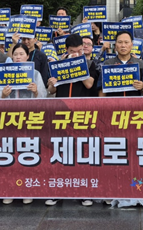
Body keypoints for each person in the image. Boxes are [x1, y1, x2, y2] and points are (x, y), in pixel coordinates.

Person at [46, 33, 98, 207]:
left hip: (82, 113)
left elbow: (90, 84)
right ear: (66, 50)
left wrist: (78, 65)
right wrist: (52, 82)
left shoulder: (90, 63)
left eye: (79, 51)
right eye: (72, 51)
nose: (75, 54)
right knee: (61, 152)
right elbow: (52, 90)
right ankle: (58, 191)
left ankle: (85, 192)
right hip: (61, 112)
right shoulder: (58, 64)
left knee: (82, 153)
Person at [0, 42, 46, 205]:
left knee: (27, 154)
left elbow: (44, 99)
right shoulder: (4, 72)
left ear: (27, 57)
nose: (18, 57)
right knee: (9, 154)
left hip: (29, 120)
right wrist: (3, 95)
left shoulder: (35, 74)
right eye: (15, 55)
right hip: (9, 120)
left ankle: (27, 189)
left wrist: (36, 91)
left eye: (21, 54)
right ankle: (10, 189)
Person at [98, 31, 143, 97]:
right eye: (120, 42)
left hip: (134, 104)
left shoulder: (140, 64)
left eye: (126, 42)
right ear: (115, 45)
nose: (123, 45)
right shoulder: (108, 64)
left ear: (131, 45)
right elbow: (101, 89)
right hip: (113, 104)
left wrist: (142, 87)